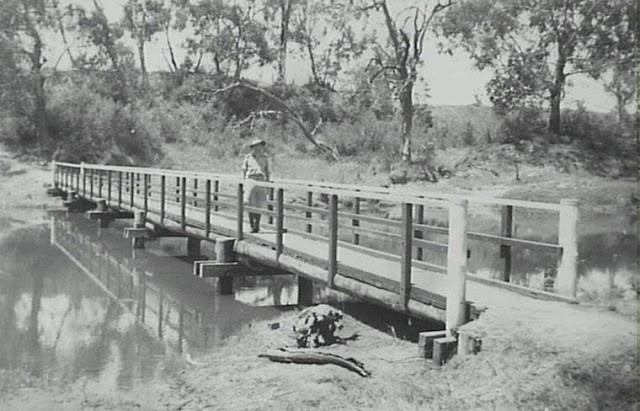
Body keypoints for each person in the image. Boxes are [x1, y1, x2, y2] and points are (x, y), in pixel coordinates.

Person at [241, 137, 270, 233]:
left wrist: (268, 184)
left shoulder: (264, 158)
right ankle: (251, 225)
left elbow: (267, 171)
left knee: (259, 204)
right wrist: (245, 184)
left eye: (260, 146)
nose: (258, 148)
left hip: (261, 180)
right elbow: (244, 172)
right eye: (256, 146)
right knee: (250, 203)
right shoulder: (248, 158)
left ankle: (257, 225)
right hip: (251, 180)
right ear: (252, 148)